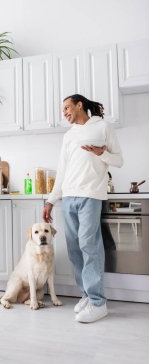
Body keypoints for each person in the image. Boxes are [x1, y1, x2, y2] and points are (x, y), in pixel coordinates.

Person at [43, 94, 123, 323]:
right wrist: (51, 200)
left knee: (89, 245)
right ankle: (87, 295)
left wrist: (102, 153)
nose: (65, 112)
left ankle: (99, 303)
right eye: (63, 110)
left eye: (67, 107)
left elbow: (119, 160)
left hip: (91, 195)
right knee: (74, 250)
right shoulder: (69, 136)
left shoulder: (103, 127)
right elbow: (62, 169)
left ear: (80, 105)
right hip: (69, 196)